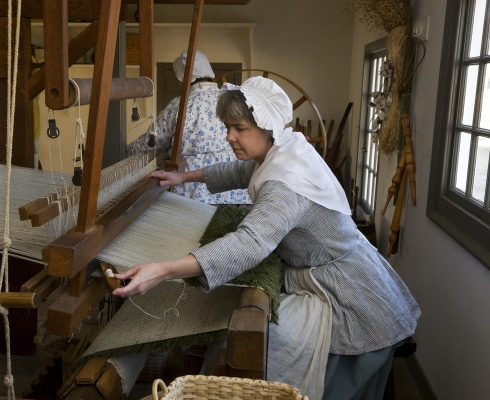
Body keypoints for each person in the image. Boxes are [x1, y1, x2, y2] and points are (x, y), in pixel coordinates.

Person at [114, 76, 420, 400]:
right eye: (227, 127)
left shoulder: (285, 182)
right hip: (344, 270)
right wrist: (182, 176)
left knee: (285, 347)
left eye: (239, 128)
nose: (229, 136)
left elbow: (250, 243)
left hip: (351, 294)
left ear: (267, 126)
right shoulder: (283, 149)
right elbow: (237, 171)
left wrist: (161, 270)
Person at [130, 50, 250, 204]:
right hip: (235, 188)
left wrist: (126, 150)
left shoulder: (179, 105)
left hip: (193, 190)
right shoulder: (231, 99)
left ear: (182, 79)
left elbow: (152, 143)